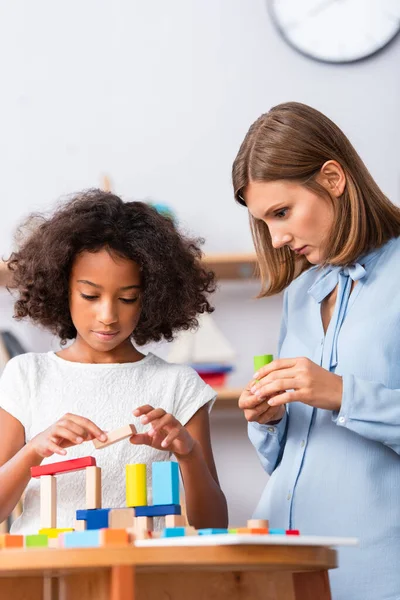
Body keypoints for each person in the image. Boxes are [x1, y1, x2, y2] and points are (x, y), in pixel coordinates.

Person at [232, 101, 400, 600]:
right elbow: (293, 456)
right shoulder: (300, 295)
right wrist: (266, 420)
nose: (277, 237)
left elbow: (339, 404)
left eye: (282, 213)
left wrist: (342, 394)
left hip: (376, 565)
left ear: (332, 178)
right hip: (285, 560)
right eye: (265, 222)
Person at [0, 189, 228, 534]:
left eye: (127, 298)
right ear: (63, 288)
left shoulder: (178, 385)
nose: (107, 315)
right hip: (47, 578)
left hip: (140, 580)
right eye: (90, 295)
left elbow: (214, 524)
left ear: (150, 297)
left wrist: (188, 453)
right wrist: (33, 451)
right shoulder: (28, 373)